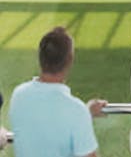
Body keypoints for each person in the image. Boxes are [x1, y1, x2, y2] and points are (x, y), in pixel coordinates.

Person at [9, 27, 107, 157]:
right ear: (70, 60)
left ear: (40, 56)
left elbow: (44, 124)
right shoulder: (76, 111)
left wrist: (85, 113)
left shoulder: (18, 95)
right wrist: (84, 114)